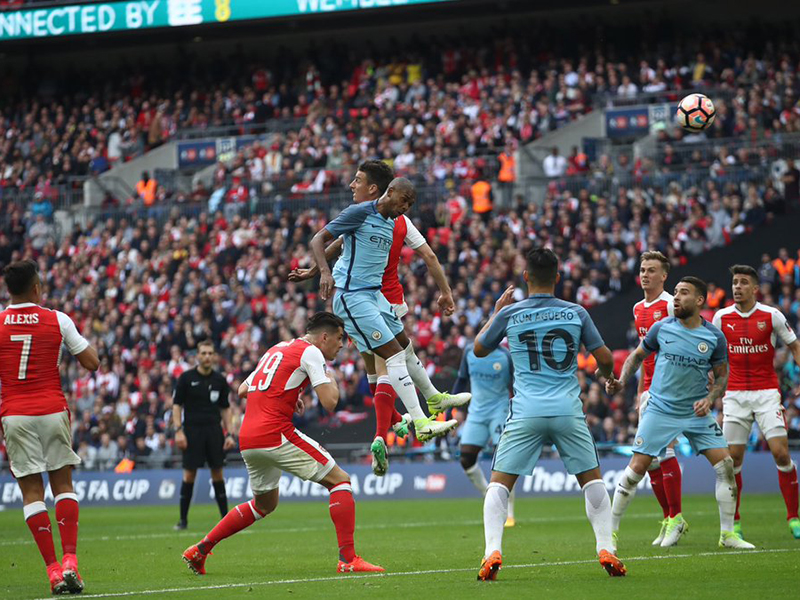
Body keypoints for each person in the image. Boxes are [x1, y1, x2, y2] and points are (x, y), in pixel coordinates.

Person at [291, 160, 460, 475]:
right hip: (353, 297)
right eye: (404, 203)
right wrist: (322, 274)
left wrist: (315, 269)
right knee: (392, 356)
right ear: (390, 192)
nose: (406, 209)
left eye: (357, 180)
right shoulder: (359, 212)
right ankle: (420, 422)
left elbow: (341, 243)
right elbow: (318, 240)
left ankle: (411, 412)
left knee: (403, 348)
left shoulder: (390, 220)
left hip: (374, 297)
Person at [182, 312, 384, 575]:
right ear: (324, 337)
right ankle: (348, 559)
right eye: (338, 338)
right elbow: (330, 403)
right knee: (340, 480)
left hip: (249, 438)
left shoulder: (276, 348)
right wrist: (328, 375)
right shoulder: (312, 353)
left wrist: (291, 393)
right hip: (274, 433)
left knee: (264, 505)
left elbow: (244, 389)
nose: (342, 344)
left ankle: (200, 549)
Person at [474, 248, 626, 581]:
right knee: (592, 479)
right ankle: (606, 548)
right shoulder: (576, 313)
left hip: (526, 410)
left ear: (526, 276)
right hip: (566, 410)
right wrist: (609, 377)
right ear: (558, 278)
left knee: (499, 485)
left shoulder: (510, 313)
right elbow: (603, 355)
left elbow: (479, 348)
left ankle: (492, 552)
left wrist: (496, 313)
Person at [607, 277, 755, 550]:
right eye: (675, 292)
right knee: (636, 470)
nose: (676, 297)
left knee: (725, 466)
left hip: (695, 412)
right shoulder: (661, 328)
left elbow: (722, 376)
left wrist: (710, 398)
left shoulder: (714, 336)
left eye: (683, 293)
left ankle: (727, 535)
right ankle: (610, 535)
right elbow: (636, 356)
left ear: (700, 301)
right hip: (661, 409)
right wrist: (621, 380)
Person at [0, 259, 100, 594]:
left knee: (31, 493)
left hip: (14, 413)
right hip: (52, 409)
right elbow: (92, 362)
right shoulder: (57, 320)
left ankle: (54, 571)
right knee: (63, 485)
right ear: (36, 288)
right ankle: (71, 560)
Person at [712, 265, 800, 539]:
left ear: (754, 289)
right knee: (732, 460)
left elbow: (794, 345)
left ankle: (794, 517)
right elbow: (713, 353)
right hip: (735, 396)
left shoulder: (771, 316)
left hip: (766, 394)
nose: (737, 287)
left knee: (781, 453)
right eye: (735, 282)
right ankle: (734, 522)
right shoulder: (721, 317)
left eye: (742, 283)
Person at [632, 251, 685, 546]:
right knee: (650, 461)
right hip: (649, 389)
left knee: (664, 452)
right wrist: (641, 392)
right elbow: (644, 353)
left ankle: (676, 517)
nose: (645, 275)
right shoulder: (638, 308)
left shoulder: (670, 305)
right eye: (642, 269)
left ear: (664, 276)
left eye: (651, 270)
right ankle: (667, 519)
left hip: (670, 389)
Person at [172, 340, 236, 530]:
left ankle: (226, 521)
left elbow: (226, 409)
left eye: (210, 353)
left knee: (218, 473)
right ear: (197, 356)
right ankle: (183, 521)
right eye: (204, 353)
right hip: (191, 431)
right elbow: (177, 406)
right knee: (189, 474)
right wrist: (178, 431)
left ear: (214, 356)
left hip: (214, 431)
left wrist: (230, 433)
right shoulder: (185, 378)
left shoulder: (220, 380)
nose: (207, 356)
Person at [453, 339, 515, 526]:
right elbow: (462, 379)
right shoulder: (469, 352)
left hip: (500, 410)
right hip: (477, 412)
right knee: (466, 458)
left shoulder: (505, 356)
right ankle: (488, 494)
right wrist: (453, 407)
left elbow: (515, 383)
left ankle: (509, 511)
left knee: (505, 459)